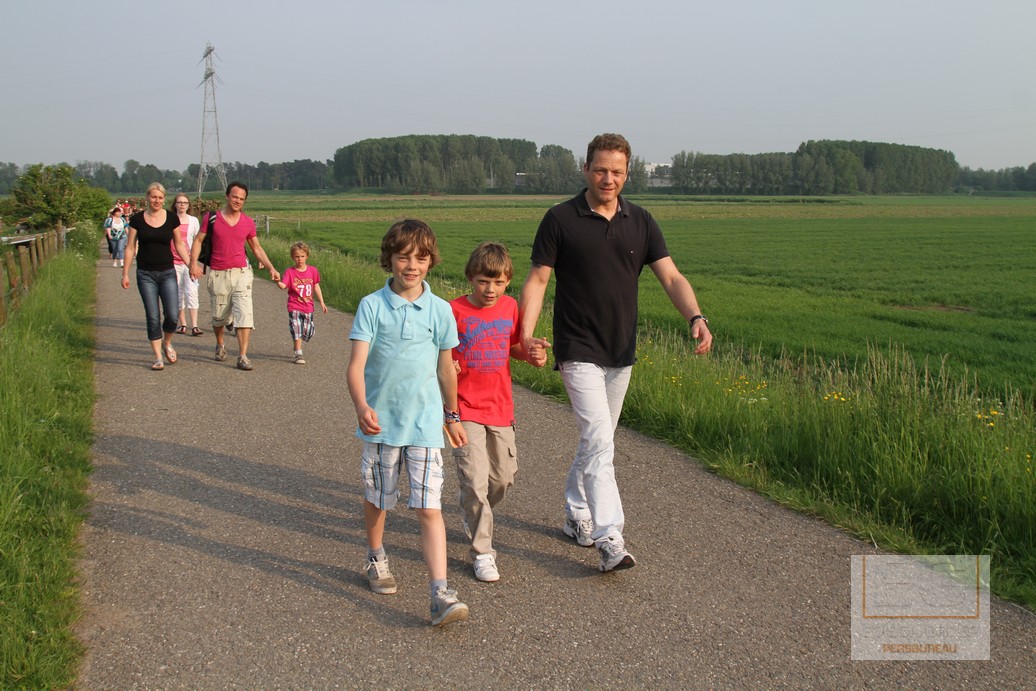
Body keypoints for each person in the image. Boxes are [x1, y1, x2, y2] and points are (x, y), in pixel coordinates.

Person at [518, 133, 713, 573]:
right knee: (599, 440)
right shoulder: (560, 219)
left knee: (598, 439)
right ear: (586, 169)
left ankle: (576, 512)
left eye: (618, 172)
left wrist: (696, 317)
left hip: (621, 350)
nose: (609, 179)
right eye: (601, 170)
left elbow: (671, 277)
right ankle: (609, 537)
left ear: (628, 173)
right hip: (577, 347)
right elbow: (538, 280)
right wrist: (525, 335)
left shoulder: (640, 221)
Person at [346, 219, 470, 626]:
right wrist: (361, 405)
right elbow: (356, 365)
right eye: (403, 257)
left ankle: (440, 592)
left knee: (429, 507)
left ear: (431, 261)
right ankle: (376, 557)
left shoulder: (440, 310)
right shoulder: (372, 306)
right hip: (382, 425)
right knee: (379, 499)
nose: (412, 266)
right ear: (390, 259)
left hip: (425, 426)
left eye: (420, 258)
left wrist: (452, 415)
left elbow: (446, 369)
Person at [450, 242, 549, 582]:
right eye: (483, 281)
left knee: (502, 479)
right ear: (470, 278)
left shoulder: (510, 307)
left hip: (500, 408)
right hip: (463, 409)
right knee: (475, 480)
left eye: (498, 282)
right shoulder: (453, 310)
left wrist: (532, 354)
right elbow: (439, 354)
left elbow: (514, 348)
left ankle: (472, 508)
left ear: (508, 281)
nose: (490, 289)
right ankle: (483, 552)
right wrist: (445, 369)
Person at [189, 182, 280, 371]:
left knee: (245, 314)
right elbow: (198, 241)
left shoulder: (247, 222)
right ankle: (220, 343)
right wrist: (193, 264)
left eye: (241, 199)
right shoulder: (211, 219)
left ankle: (243, 356)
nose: (237, 201)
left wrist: (271, 267)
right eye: (235, 197)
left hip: (242, 274)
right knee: (219, 318)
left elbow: (256, 247)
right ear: (227, 196)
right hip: (218, 273)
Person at [121, 183, 191, 371]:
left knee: (172, 315)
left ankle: (167, 343)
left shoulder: (172, 218)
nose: (157, 200)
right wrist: (125, 273)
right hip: (145, 274)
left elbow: (179, 244)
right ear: (147, 197)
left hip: (167, 272)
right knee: (153, 316)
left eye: (160, 197)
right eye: (153, 197)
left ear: (164, 199)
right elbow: (130, 247)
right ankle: (158, 357)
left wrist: (191, 265)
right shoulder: (137, 220)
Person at [275, 241, 327, 364]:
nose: (300, 259)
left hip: (308, 306)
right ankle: (298, 353)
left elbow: (316, 286)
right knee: (297, 328)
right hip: (294, 305)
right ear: (292, 257)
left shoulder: (313, 271)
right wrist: (277, 281)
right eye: (297, 256)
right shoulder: (290, 272)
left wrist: (322, 302)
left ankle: (305, 335)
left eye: (302, 256)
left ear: (307, 256)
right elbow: (283, 286)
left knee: (307, 332)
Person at [171, 194, 203, 336]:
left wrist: (195, 262)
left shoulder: (193, 221)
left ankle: (195, 325)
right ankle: (182, 323)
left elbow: (197, 241)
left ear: (189, 205)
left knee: (192, 291)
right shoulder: (171, 219)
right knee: (177, 292)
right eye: (179, 202)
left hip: (189, 261)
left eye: (185, 202)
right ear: (175, 204)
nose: (182, 205)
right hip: (173, 261)